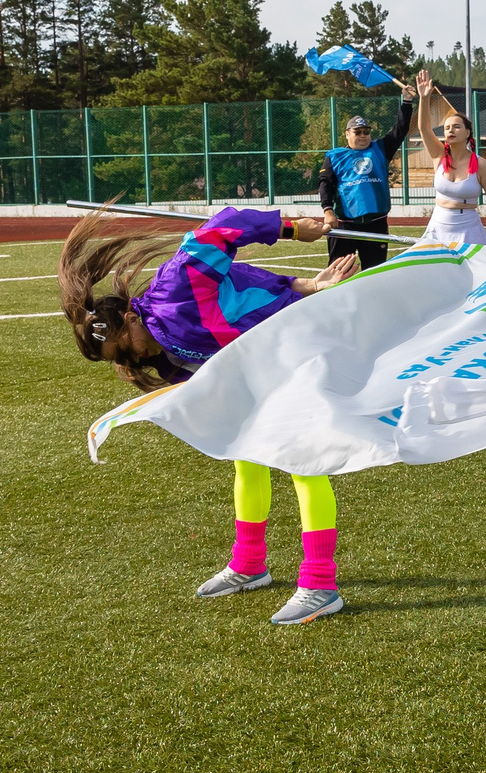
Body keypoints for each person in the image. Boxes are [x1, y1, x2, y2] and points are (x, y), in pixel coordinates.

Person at [58, 205, 361, 624]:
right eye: (119, 358)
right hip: (253, 377)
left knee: (303, 463)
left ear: (130, 317)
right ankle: (250, 564)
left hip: (295, 354)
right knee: (247, 460)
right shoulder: (154, 346)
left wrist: (292, 235)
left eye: (125, 347)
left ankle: (320, 585)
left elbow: (222, 229)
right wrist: (300, 284)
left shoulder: (174, 285)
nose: (132, 359)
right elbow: (234, 285)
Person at [315, 91, 415, 271]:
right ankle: (338, 300)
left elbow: (400, 129)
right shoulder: (334, 156)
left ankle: (372, 300)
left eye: (366, 132)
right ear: (347, 134)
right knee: (338, 271)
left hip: (376, 223)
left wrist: (406, 102)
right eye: (358, 132)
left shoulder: (381, 148)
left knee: (374, 271)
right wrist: (328, 210)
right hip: (345, 224)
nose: (363, 135)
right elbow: (325, 184)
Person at [412, 69, 486, 249]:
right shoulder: (439, 156)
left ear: (467, 132)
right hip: (437, 228)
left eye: (456, 127)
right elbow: (424, 128)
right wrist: (424, 98)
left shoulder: (480, 164)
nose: (450, 131)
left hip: (469, 230)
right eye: (447, 128)